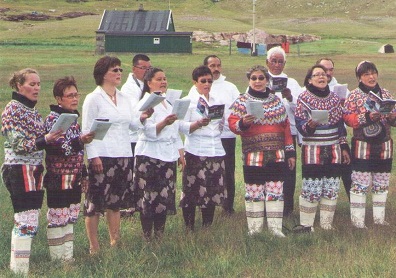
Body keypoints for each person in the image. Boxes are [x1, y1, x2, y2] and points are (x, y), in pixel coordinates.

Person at [82, 56, 146, 254]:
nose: (119, 73)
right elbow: (87, 131)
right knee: (95, 204)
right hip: (102, 156)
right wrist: (94, 157)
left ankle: (114, 241)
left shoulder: (124, 98)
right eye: (114, 70)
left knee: (115, 203)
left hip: (123, 155)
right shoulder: (93, 98)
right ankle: (94, 246)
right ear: (103, 74)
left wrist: (144, 116)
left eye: (119, 70)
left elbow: (132, 124)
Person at [1, 68, 62, 275]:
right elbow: (17, 143)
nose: (36, 88)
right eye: (32, 84)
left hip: (34, 170)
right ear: (19, 85)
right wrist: (45, 139)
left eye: (38, 84)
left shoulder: (32, 111)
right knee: (25, 219)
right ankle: (18, 270)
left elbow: (38, 141)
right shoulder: (12, 109)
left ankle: (19, 267)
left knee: (31, 218)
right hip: (18, 170)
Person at [229, 65, 296, 237]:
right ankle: (255, 229)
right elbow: (233, 125)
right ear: (249, 80)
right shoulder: (242, 101)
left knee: (275, 190)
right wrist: (243, 122)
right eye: (254, 78)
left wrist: (290, 152)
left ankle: (275, 229)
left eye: (261, 78)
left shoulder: (276, 101)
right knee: (254, 191)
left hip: (276, 154)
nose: (257, 81)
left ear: (267, 80)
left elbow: (286, 127)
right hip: (253, 155)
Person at [133, 67, 188, 240]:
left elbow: (175, 130)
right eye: (159, 79)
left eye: (165, 79)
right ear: (149, 83)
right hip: (149, 155)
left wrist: (181, 153)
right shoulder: (145, 103)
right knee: (148, 197)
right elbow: (147, 132)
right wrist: (164, 122)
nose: (163, 82)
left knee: (164, 196)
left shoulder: (169, 103)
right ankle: (147, 235)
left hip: (167, 155)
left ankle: (159, 234)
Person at [43, 76, 94, 262]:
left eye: (76, 94)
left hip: (74, 177)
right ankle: (57, 259)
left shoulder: (73, 119)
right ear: (58, 98)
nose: (75, 99)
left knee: (71, 215)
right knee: (58, 217)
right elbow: (59, 148)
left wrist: (84, 173)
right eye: (70, 95)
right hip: (58, 177)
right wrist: (80, 141)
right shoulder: (53, 120)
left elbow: (78, 152)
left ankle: (68, 257)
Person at [295, 64, 350, 231]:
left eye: (324, 74)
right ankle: (307, 225)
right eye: (317, 74)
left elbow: (340, 125)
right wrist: (309, 125)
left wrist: (343, 146)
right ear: (309, 80)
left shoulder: (334, 99)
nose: (321, 77)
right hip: (312, 150)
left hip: (333, 149)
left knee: (331, 185)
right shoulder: (303, 98)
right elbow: (300, 124)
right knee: (311, 186)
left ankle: (326, 224)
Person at [343, 61, 396, 228]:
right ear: (359, 77)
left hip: (384, 145)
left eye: (373, 73)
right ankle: (358, 221)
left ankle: (379, 220)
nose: (371, 77)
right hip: (362, 145)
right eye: (366, 74)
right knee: (360, 183)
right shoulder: (354, 95)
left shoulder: (387, 94)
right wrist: (366, 117)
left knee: (381, 182)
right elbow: (347, 118)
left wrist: (391, 117)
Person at [188, 55, 240, 215]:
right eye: (212, 65)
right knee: (201, 175)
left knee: (227, 172)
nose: (216, 69)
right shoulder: (193, 91)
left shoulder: (230, 87)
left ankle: (227, 206)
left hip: (225, 136)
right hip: (201, 140)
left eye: (218, 65)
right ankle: (200, 204)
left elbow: (237, 107)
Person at [180, 65, 227, 231]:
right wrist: (197, 124)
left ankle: (207, 225)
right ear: (195, 82)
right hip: (196, 149)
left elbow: (222, 124)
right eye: (203, 81)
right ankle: (189, 226)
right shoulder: (188, 101)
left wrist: (220, 122)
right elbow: (180, 125)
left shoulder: (216, 100)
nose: (207, 84)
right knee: (192, 189)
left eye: (209, 81)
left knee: (212, 188)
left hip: (215, 149)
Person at [266, 46, 303, 216]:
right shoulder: (260, 79)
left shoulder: (293, 83)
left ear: (284, 64)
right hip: (267, 134)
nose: (277, 64)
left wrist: (289, 97)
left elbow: (300, 111)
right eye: (274, 61)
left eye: (280, 61)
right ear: (267, 62)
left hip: (289, 132)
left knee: (289, 168)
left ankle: (287, 207)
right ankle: (270, 203)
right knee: (270, 167)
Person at [120, 54, 152, 217]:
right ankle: (128, 207)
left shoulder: (143, 84)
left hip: (142, 134)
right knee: (131, 173)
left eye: (149, 68)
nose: (147, 71)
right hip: (132, 136)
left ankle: (138, 203)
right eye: (143, 68)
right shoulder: (128, 88)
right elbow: (134, 111)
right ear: (134, 69)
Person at [317, 58, 352, 200]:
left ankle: (355, 204)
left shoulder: (342, 89)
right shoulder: (309, 88)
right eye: (325, 69)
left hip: (339, 137)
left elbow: (349, 114)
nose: (328, 72)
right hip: (319, 137)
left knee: (347, 170)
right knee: (321, 173)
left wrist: (343, 107)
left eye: (331, 69)